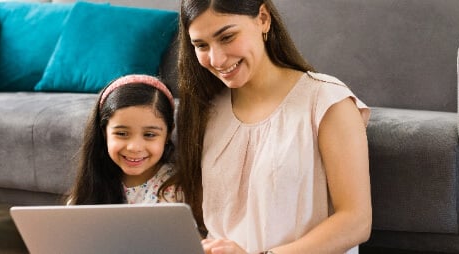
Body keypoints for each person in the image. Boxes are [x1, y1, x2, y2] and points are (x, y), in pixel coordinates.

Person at [173, 0, 372, 253]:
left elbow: (355, 222)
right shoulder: (207, 109)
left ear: (263, 18)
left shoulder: (327, 101)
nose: (217, 59)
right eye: (201, 45)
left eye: (227, 37)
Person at [65, 74, 182, 205]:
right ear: (104, 132)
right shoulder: (92, 181)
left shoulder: (176, 190)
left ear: (167, 134)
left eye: (149, 135)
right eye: (121, 133)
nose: (134, 147)